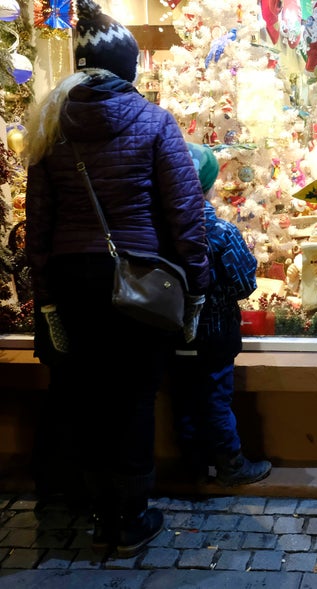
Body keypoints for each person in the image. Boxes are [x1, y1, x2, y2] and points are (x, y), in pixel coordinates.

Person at [24, 0, 209, 558]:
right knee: (132, 397)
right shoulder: (154, 122)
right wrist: (195, 287)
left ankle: (89, 508)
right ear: (130, 69)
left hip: (72, 279)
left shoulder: (50, 123)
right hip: (135, 283)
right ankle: (129, 518)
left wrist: (45, 294)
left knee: (80, 394)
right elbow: (186, 215)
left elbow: (38, 221)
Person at [169, 143, 272, 487]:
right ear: (210, 185)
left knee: (183, 400)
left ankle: (193, 469)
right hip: (215, 334)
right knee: (216, 398)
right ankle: (231, 465)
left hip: (171, 331)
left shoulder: (159, 231)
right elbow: (244, 284)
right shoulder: (222, 233)